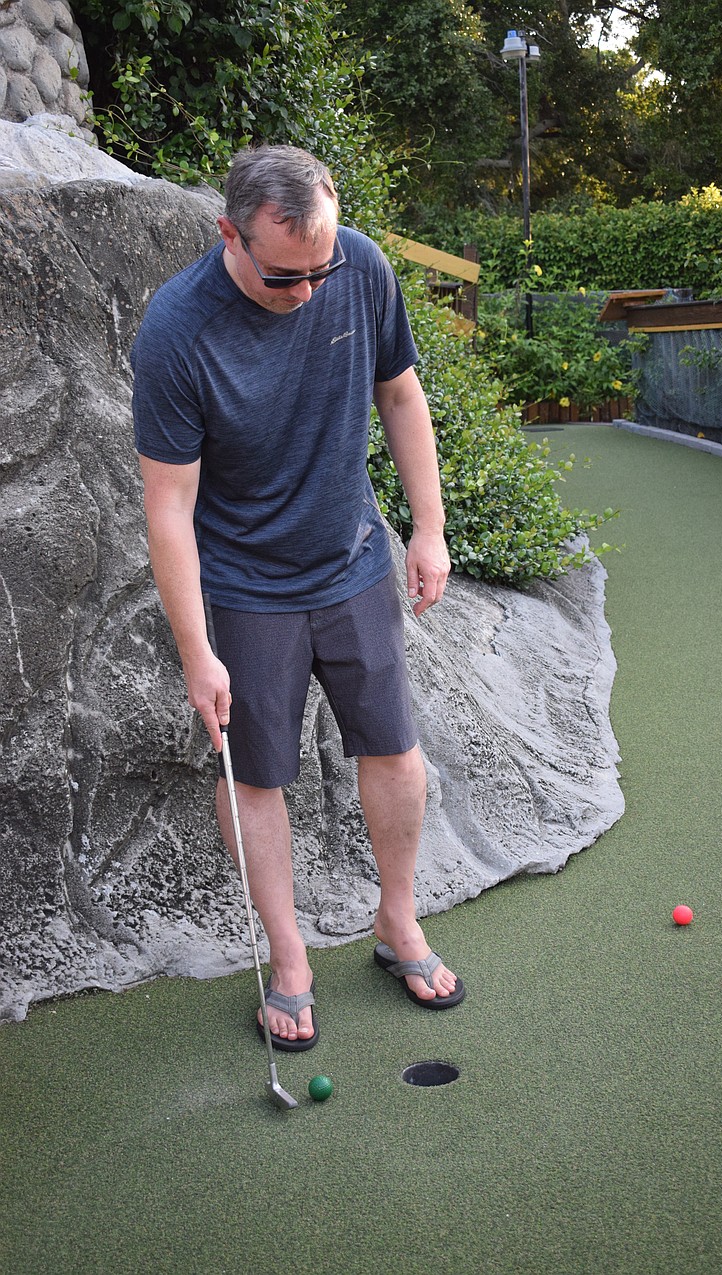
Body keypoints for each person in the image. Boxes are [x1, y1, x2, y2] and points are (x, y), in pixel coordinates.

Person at [132, 143, 464, 1052]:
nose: (310, 291)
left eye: (320, 269)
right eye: (285, 277)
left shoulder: (358, 265)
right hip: (245, 584)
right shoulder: (177, 330)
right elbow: (169, 508)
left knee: (394, 748)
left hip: (351, 558)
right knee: (254, 776)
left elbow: (401, 395)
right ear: (229, 234)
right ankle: (288, 956)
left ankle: (398, 920)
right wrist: (197, 652)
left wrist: (428, 526)